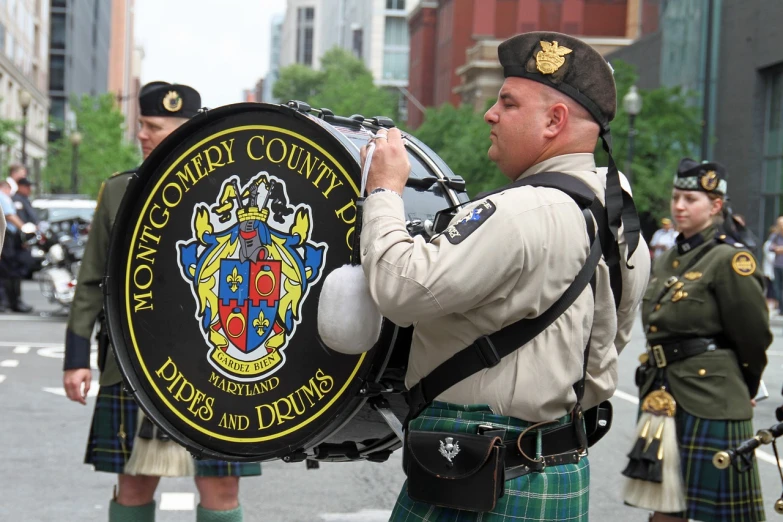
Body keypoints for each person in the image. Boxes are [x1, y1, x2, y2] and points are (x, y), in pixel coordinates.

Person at [360, 32, 650, 521]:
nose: (490, 114)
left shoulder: (519, 212)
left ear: (554, 121)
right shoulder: (625, 226)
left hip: (475, 474)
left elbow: (401, 289)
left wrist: (384, 191)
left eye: (508, 103)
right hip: (556, 466)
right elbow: (605, 344)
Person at [62, 81, 261, 522]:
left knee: (222, 486)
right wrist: (76, 358)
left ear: (181, 132)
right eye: (141, 124)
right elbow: (92, 280)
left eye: (152, 126)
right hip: (135, 361)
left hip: (219, 367)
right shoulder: (118, 192)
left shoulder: (231, 197)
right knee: (133, 481)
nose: (141, 134)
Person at [629, 158, 770, 521]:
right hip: (663, 393)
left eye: (691, 199)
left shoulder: (730, 259)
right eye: (676, 197)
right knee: (664, 504)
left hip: (710, 397)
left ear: (716, 205)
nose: (679, 206)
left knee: (720, 515)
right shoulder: (670, 258)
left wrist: (745, 385)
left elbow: (753, 336)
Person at [0, 180, 33, 313]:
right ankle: (5, 302)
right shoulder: (3, 197)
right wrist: (24, 228)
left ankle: (9, 301)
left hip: (9, 238)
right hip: (7, 239)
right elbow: (8, 217)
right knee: (6, 272)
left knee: (9, 271)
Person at [768, 216, 783, 315]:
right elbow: (770, 247)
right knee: (777, 287)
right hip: (777, 265)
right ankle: (781, 308)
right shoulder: (776, 236)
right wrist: (777, 248)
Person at [763, 225, 778, 310]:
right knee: (770, 289)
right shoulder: (768, 244)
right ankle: (770, 304)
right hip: (770, 271)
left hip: (776, 271)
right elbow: (771, 258)